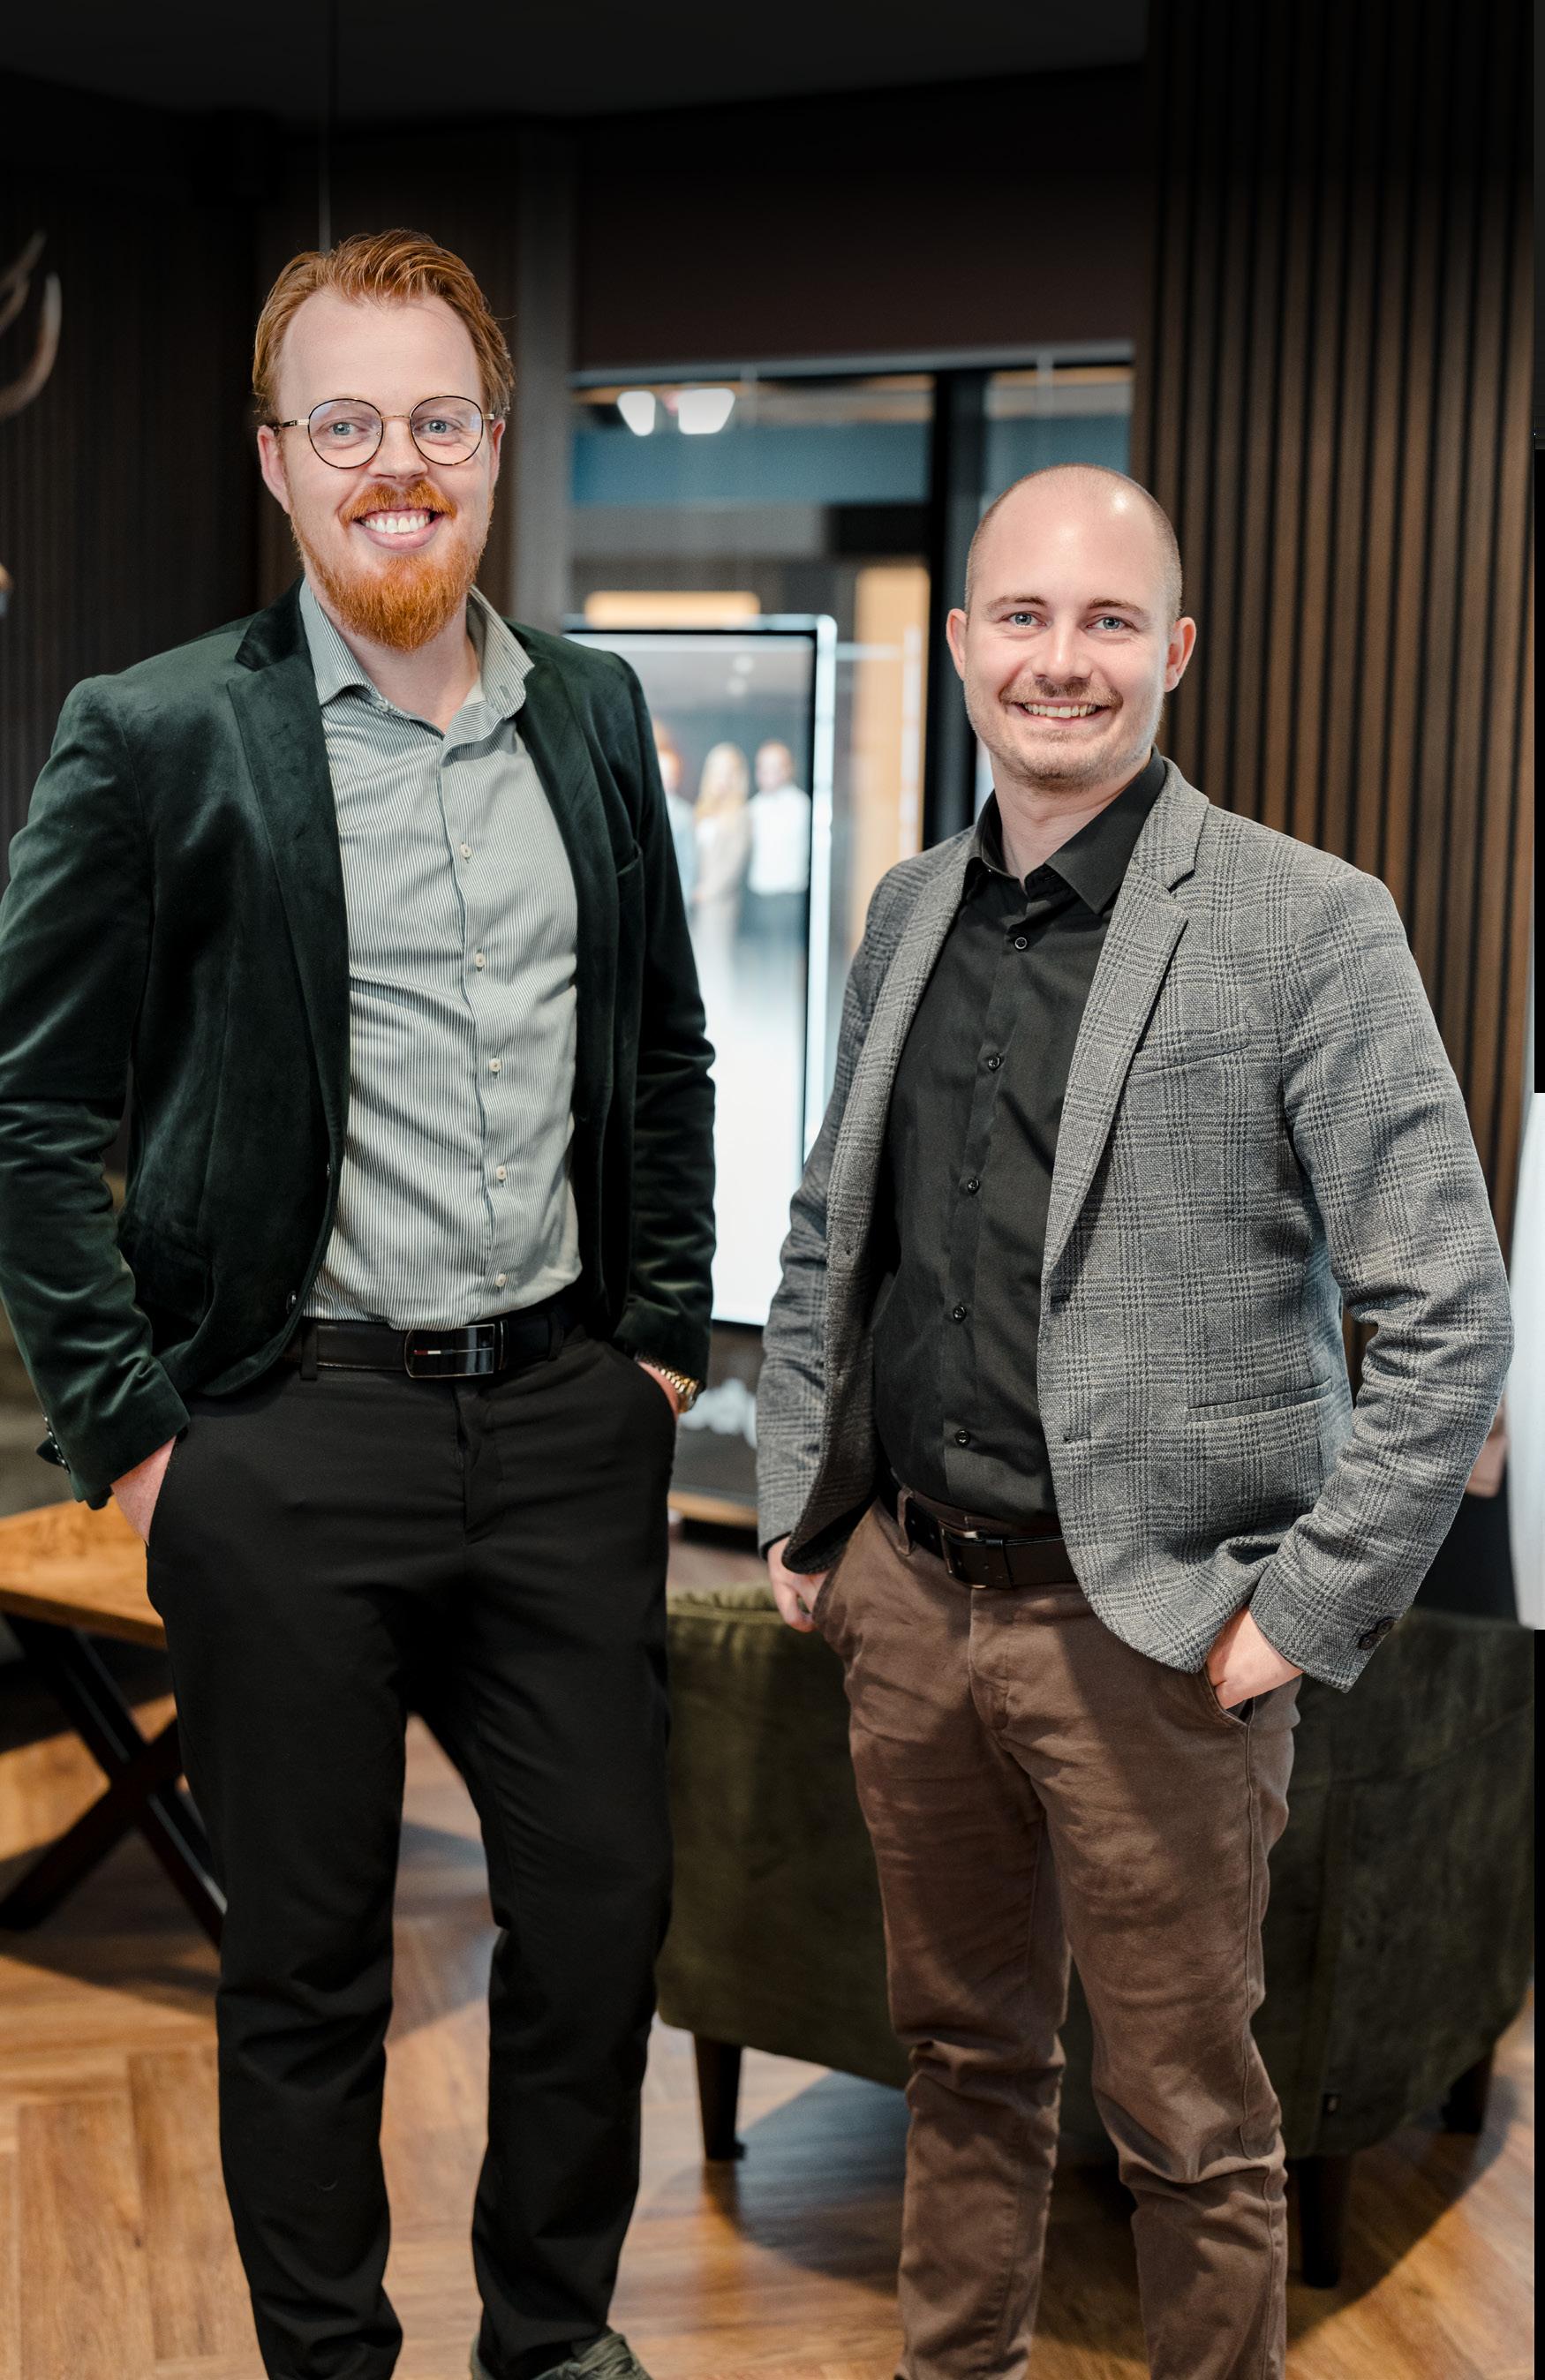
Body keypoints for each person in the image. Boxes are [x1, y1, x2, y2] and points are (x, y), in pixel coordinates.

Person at [0, 230, 714, 2380]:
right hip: (286, 1437)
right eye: (344, 422)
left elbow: (664, 1047)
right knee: (305, 1962)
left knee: (599, 1917)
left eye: (434, 419)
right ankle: (331, 2364)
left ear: (488, 446)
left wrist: (659, 1340)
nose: (393, 463)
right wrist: (135, 1435)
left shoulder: (593, 713)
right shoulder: (157, 734)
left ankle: (550, 2342)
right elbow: (31, 1109)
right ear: (276, 459)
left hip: (566, 1422)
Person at [757, 463, 1512, 2380]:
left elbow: (1448, 1317)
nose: (1060, 659)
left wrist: (1295, 1615)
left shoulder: (1306, 923)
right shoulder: (904, 910)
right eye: (1022, 616)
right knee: (958, 2058)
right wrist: (797, 1513)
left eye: (1106, 621)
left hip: (1159, 1639)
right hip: (911, 1599)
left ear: (1174, 650)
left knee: (1188, 2125)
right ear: (960, 644)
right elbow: (828, 1226)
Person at [689, 739, 752, 1003]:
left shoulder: (741, 814)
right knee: (698, 963)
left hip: (720, 904)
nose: (722, 778)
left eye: (728, 772)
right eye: (718, 771)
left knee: (718, 963)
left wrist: (706, 892)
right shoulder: (701, 810)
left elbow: (733, 865)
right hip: (694, 902)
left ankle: (723, 1012)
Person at [744, 737, 812, 944]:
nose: (768, 774)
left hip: (791, 896)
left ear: (788, 769)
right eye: (763, 768)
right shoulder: (753, 808)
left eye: (774, 767)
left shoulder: (801, 806)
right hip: (760, 895)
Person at [652, 719, 698, 905]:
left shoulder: (685, 813)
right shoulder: (643, 808)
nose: (666, 778)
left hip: (673, 895)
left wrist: (683, 900)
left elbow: (689, 861)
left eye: (670, 773)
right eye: (662, 772)